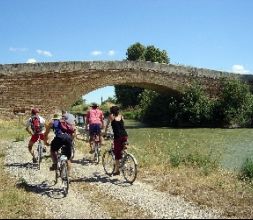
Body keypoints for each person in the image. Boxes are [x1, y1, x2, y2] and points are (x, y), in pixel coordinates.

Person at [105, 105, 128, 176]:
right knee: (123, 148)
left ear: (111, 111)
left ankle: (117, 171)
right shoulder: (121, 116)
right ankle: (126, 159)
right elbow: (123, 126)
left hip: (117, 137)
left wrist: (105, 133)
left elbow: (107, 126)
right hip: (125, 135)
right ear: (118, 111)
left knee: (117, 155)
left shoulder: (111, 116)